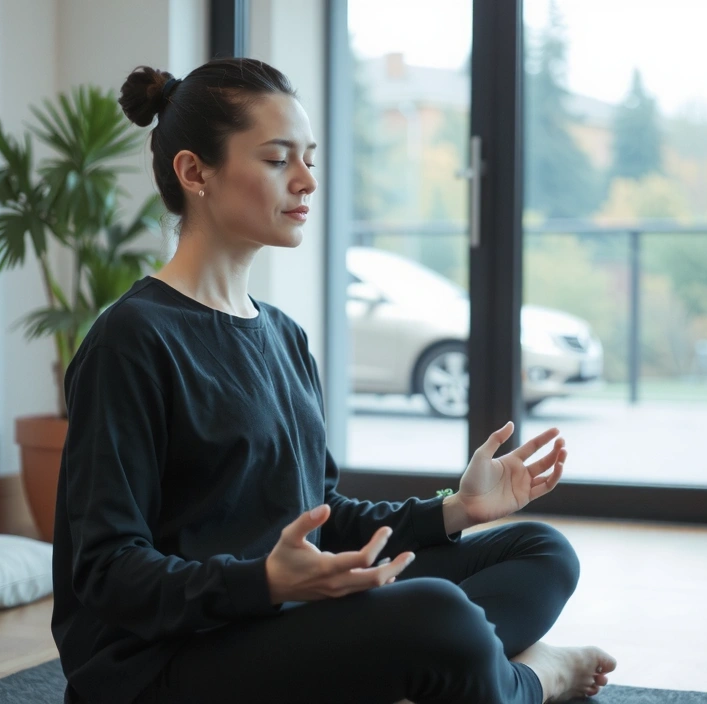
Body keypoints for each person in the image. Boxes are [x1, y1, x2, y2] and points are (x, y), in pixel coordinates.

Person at [50, 57, 616, 704]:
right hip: (167, 661)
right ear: (194, 172)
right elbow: (108, 570)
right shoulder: (132, 340)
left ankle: (443, 671)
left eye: (309, 159)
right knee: (439, 617)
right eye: (277, 159)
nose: (306, 181)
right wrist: (264, 582)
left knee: (540, 550)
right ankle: (533, 679)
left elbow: (324, 516)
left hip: (285, 619)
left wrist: (457, 509)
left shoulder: (283, 336)